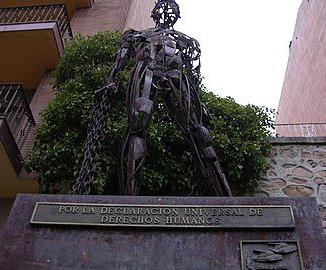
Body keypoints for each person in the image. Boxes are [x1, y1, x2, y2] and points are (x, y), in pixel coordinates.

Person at [71, 0, 232, 197]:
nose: (166, 11)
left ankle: (225, 199)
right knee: (138, 125)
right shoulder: (137, 36)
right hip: (145, 73)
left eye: (171, 9)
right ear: (154, 13)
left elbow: (193, 76)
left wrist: (201, 104)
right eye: (162, 8)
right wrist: (110, 82)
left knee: (199, 132)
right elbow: (119, 61)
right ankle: (129, 198)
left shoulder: (188, 42)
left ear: (177, 15)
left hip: (178, 80)